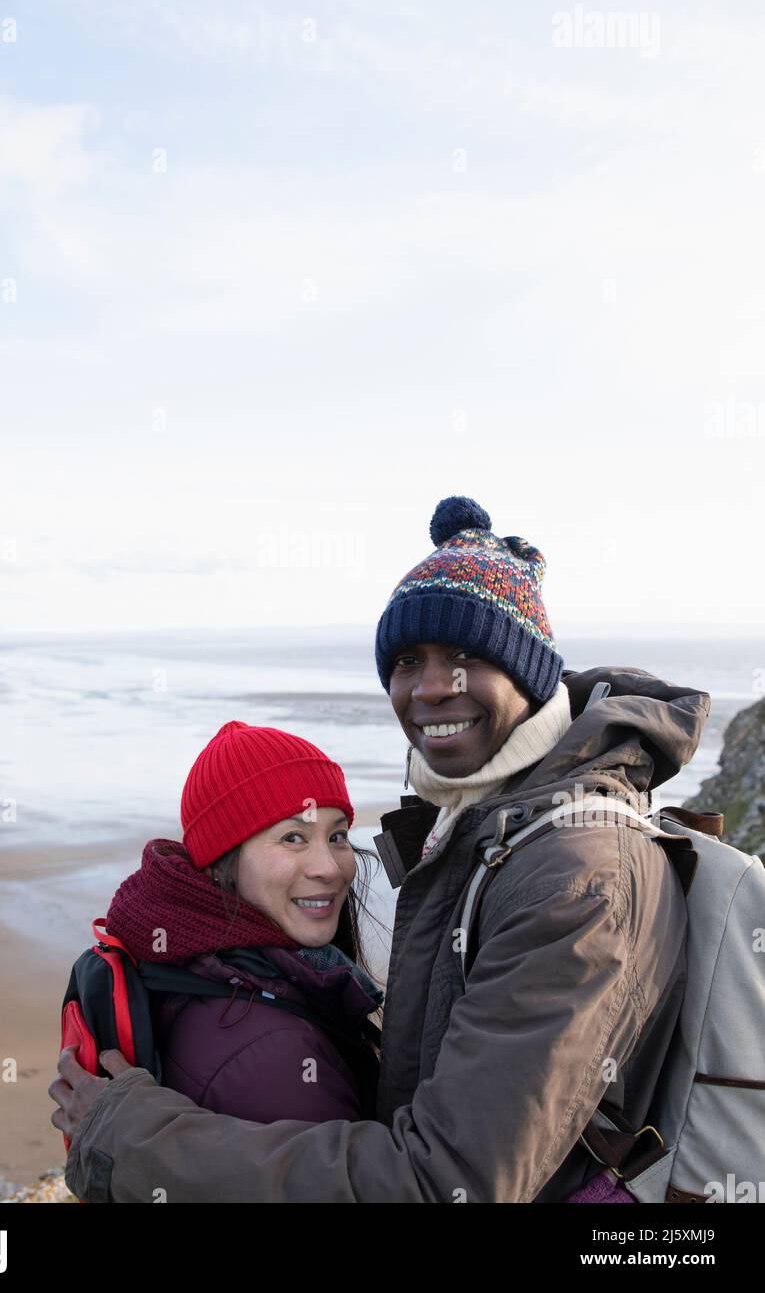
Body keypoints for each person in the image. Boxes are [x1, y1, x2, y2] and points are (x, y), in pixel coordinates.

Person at [51, 493, 708, 1204]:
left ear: (528, 671)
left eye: (464, 655)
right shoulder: (487, 831)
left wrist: (136, 1139)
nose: (430, 686)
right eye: (404, 659)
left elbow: (444, 1184)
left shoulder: (578, 873)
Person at [60, 720, 383, 1127]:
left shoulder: (182, 961)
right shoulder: (276, 1055)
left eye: (337, 836)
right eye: (293, 838)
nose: (330, 868)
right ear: (218, 865)